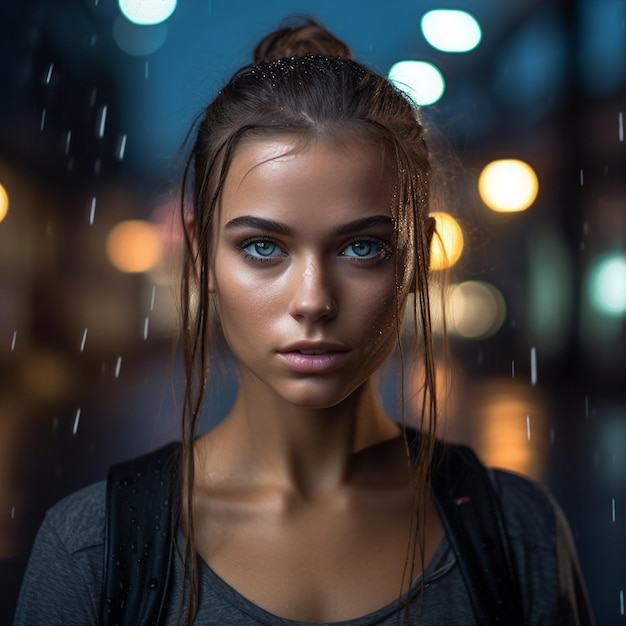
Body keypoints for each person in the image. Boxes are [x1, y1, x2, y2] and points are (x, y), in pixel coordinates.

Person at [14, 17, 594, 626]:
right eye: (264, 247)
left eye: (361, 247)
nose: (313, 300)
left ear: (417, 259)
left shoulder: (516, 538)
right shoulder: (95, 551)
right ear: (201, 252)